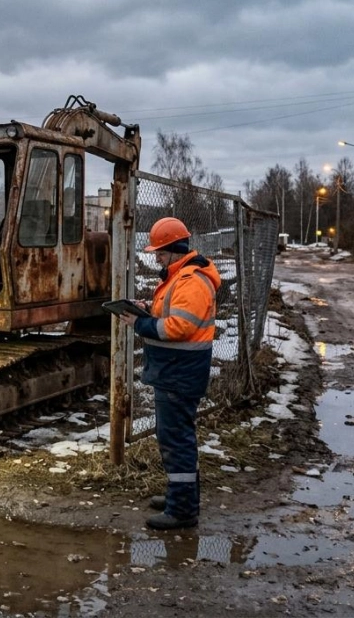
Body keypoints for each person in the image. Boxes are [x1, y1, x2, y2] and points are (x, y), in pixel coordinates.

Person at [119, 217, 221, 530]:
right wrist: (147, 310)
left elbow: (179, 327)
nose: (156, 257)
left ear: (176, 249)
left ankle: (182, 510)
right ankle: (181, 496)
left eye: (161, 252)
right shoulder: (181, 277)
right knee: (175, 437)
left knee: (176, 440)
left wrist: (139, 323)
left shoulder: (191, 279)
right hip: (175, 372)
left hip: (179, 373)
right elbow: (171, 315)